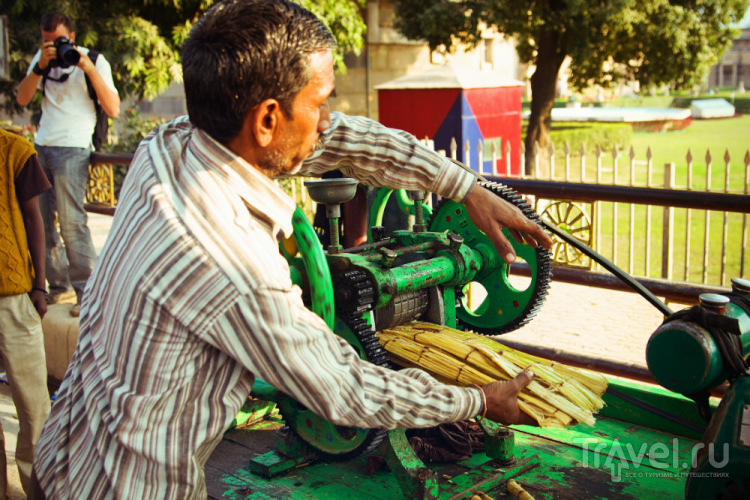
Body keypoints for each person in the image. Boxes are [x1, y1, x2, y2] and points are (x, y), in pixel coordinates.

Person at [31, 0, 553, 497]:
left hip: (63, 454)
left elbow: (346, 140)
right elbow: (344, 386)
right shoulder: (229, 262)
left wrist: (466, 189)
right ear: (266, 121)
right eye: (321, 101)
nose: (328, 119)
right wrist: (477, 399)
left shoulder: (168, 145)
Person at [16, 11, 121, 317]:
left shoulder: (95, 60)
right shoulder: (42, 59)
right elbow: (22, 98)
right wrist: (39, 66)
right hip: (42, 146)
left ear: (72, 37)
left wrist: (86, 66)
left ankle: (87, 294)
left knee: (72, 221)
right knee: (43, 221)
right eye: (46, 41)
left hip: (73, 147)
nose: (52, 46)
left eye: (58, 41)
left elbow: (113, 108)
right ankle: (57, 288)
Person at [0, 129, 52, 498]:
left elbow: (36, 220)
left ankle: (41, 492)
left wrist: (40, 286)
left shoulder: (15, 150)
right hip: (16, 297)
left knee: (34, 408)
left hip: (15, 298)